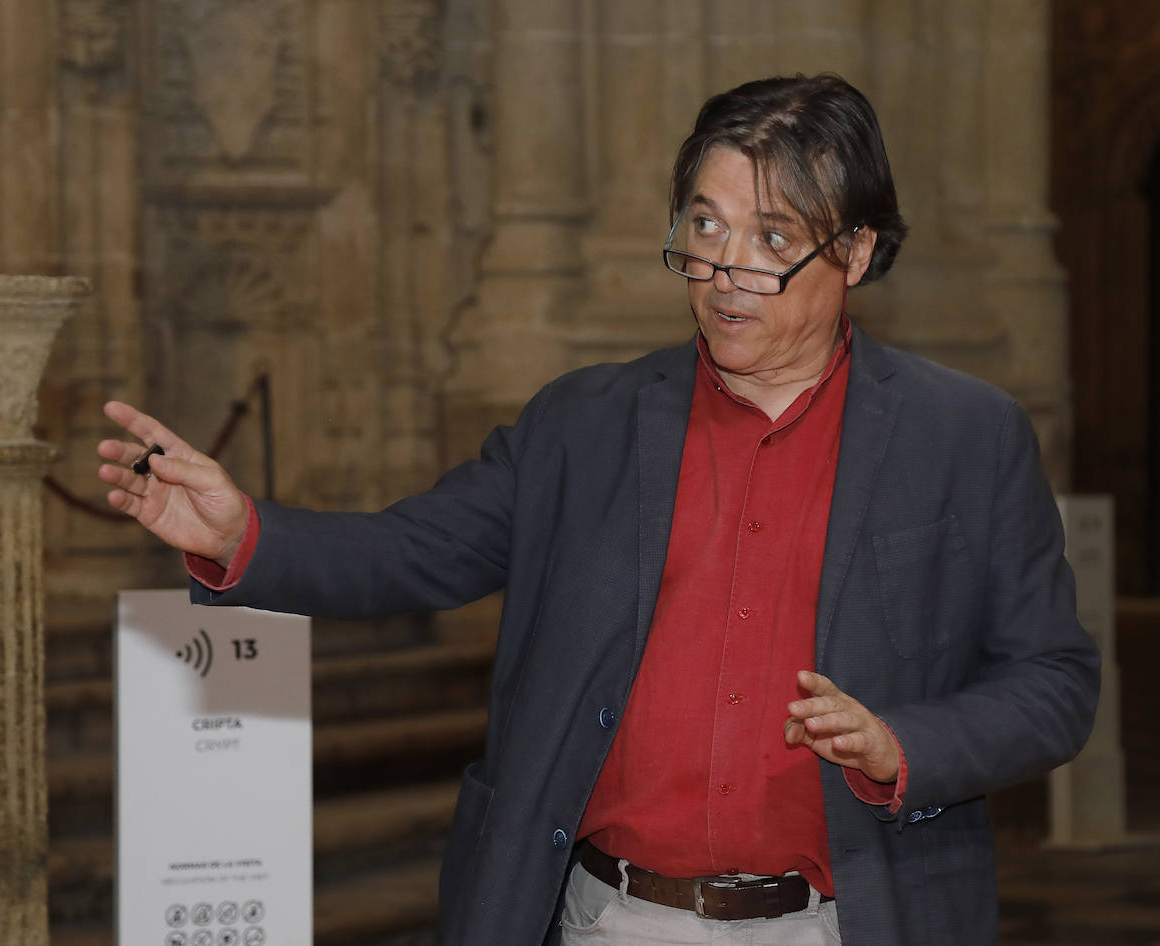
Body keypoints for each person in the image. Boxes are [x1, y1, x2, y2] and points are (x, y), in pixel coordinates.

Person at [97, 74, 1100, 946]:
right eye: (703, 225)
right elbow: (415, 551)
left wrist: (904, 745)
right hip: (606, 914)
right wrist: (241, 534)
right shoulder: (584, 424)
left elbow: (1054, 683)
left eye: (772, 237)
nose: (722, 271)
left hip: (846, 918)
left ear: (857, 250)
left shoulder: (964, 436)